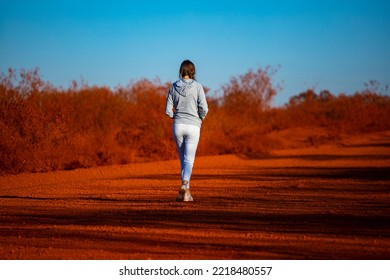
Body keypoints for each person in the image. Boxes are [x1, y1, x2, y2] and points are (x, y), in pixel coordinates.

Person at [165, 60, 209, 202]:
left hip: (178, 125)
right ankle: (185, 184)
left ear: (181, 71)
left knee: (183, 159)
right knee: (189, 160)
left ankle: (186, 193)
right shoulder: (198, 87)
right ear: (192, 71)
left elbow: (167, 110)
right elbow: (205, 108)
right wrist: (200, 118)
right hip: (193, 126)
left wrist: (175, 116)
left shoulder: (173, 86)